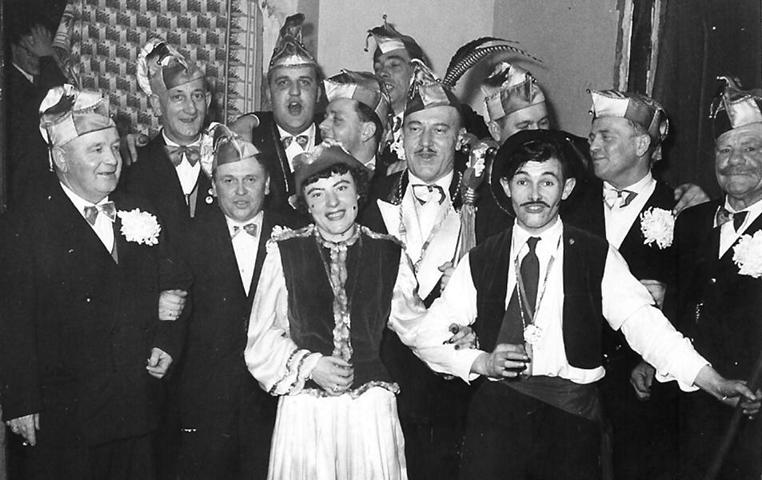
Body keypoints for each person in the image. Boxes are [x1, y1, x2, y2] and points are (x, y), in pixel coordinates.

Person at [409, 128, 760, 480]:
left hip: (570, 428)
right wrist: (481, 361)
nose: (534, 195)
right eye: (523, 181)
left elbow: (647, 327)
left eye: (547, 182)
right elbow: (426, 335)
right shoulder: (481, 258)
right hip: (494, 428)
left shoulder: (596, 256)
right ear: (506, 186)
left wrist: (713, 381)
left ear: (567, 188)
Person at [0, 85, 190, 480]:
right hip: (65, 420)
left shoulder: (139, 209)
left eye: (115, 148)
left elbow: (177, 283)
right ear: (60, 158)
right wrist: (20, 401)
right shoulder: (27, 223)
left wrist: (166, 341)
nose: (112, 160)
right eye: (96, 150)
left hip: (135, 411)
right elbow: (12, 320)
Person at [243, 141, 440, 479]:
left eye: (341, 188)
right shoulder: (284, 252)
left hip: (368, 412)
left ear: (358, 193)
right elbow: (260, 338)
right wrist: (310, 364)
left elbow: (417, 326)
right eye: (317, 194)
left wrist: (461, 345)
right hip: (306, 411)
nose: (332, 203)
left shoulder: (388, 254)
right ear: (306, 205)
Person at [360, 59, 480, 480]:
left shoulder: (484, 204)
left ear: (460, 139)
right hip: (385, 388)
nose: (425, 143)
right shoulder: (367, 197)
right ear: (400, 135)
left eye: (440, 130)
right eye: (415, 129)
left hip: (457, 392)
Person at [169, 124, 298, 480]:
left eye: (251, 180)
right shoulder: (186, 238)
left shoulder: (295, 234)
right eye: (229, 181)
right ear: (213, 186)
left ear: (267, 184)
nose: (241, 191)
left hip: (274, 398)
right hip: (206, 402)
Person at [663, 77, 762, 480]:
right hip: (687, 404)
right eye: (725, 150)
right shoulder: (692, 222)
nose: (735, 160)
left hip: (750, 414)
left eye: (750, 149)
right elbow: (678, 303)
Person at [118, 38, 214, 242]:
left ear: (208, 101)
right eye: (178, 97)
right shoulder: (133, 163)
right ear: (157, 105)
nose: (191, 109)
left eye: (197, 96)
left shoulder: (225, 154)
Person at [366, 17, 488, 177]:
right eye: (377, 68)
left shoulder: (461, 117)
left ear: (417, 70)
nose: (382, 73)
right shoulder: (371, 126)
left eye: (394, 65)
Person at [230, 13, 322, 214]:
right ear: (268, 94)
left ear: (318, 93)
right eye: (283, 83)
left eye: (304, 82)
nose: (295, 91)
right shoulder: (250, 140)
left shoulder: (335, 137)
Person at [5, 13, 67, 206]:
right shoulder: (8, 82)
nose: (36, 59)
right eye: (31, 51)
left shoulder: (44, 75)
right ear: (13, 48)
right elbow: (54, 108)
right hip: (22, 184)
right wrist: (47, 57)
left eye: (41, 52)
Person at [320, 70, 391, 175]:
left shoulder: (395, 178)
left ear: (366, 131)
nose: (322, 125)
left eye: (337, 120)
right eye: (325, 117)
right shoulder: (309, 176)